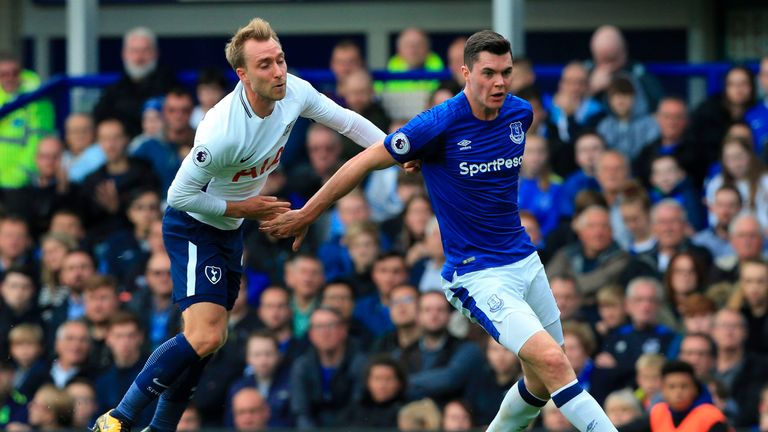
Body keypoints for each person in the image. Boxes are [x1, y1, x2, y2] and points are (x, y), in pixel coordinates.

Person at [261, 29, 619, 431]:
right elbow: (363, 161)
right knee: (553, 361)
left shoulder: (521, 113)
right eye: (488, 73)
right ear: (465, 72)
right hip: (477, 274)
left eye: (506, 72)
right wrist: (309, 211)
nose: (499, 82)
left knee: (542, 376)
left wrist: (414, 158)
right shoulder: (438, 123)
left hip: (525, 260)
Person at [92, 16, 391, 432]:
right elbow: (177, 197)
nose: (278, 71)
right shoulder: (221, 130)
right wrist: (243, 209)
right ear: (243, 74)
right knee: (206, 336)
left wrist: (395, 147)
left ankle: (158, 429)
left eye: (280, 59)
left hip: (231, 227)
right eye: (265, 65)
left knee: (206, 342)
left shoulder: (296, 91)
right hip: (193, 225)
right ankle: (116, 419)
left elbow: (347, 122)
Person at [92, 27, 178, 138]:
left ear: (155, 53)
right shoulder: (113, 91)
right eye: (134, 51)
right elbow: (98, 119)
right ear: (124, 54)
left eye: (145, 51)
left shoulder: (170, 85)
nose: (139, 57)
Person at [619, 360, 729, 432]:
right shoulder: (658, 412)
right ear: (663, 390)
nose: (678, 392)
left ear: (695, 389)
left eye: (684, 386)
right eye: (672, 387)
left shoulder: (710, 415)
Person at [0, 51, 55, 189]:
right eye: (3, 74)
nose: (9, 78)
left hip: (20, 184)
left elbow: (38, 142)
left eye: (15, 73)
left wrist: (18, 176)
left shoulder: (37, 100)